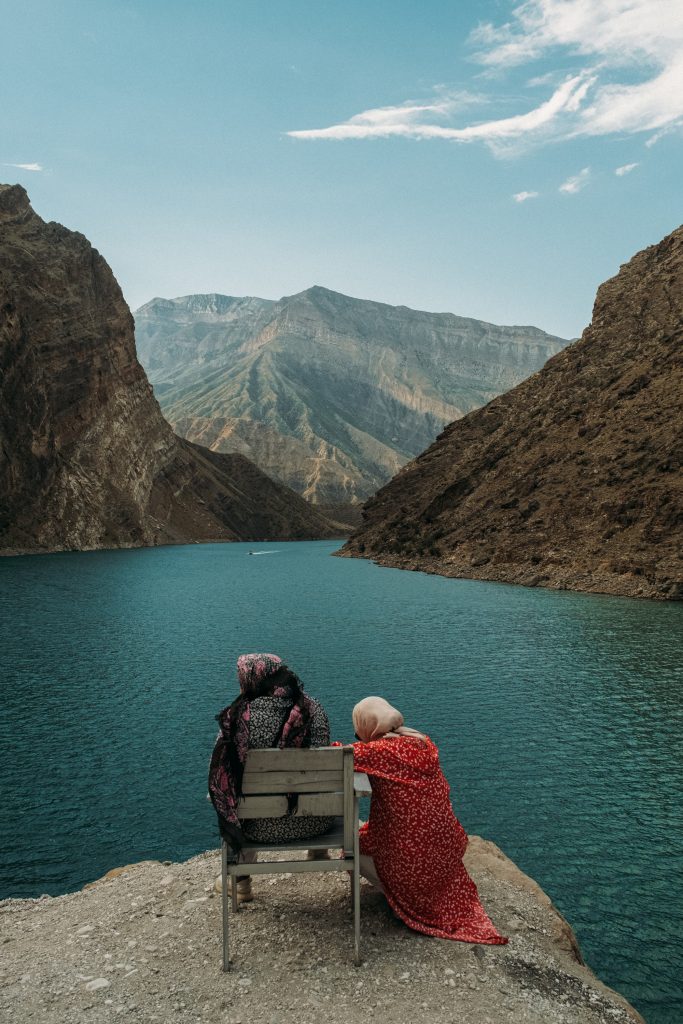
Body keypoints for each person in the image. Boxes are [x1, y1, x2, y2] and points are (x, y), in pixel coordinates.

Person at [350, 696, 507, 944]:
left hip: (413, 865)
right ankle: (422, 889)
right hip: (446, 855)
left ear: (369, 726)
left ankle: (404, 893)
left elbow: (335, 754)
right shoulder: (423, 742)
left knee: (351, 849)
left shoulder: (377, 751)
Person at [208, 653, 333, 902]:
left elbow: (220, 774)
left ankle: (241, 882)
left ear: (251, 681)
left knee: (227, 792)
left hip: (258, 829)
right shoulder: (312, 709)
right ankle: (319, 851)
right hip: (316, 824)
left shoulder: (237, 720)